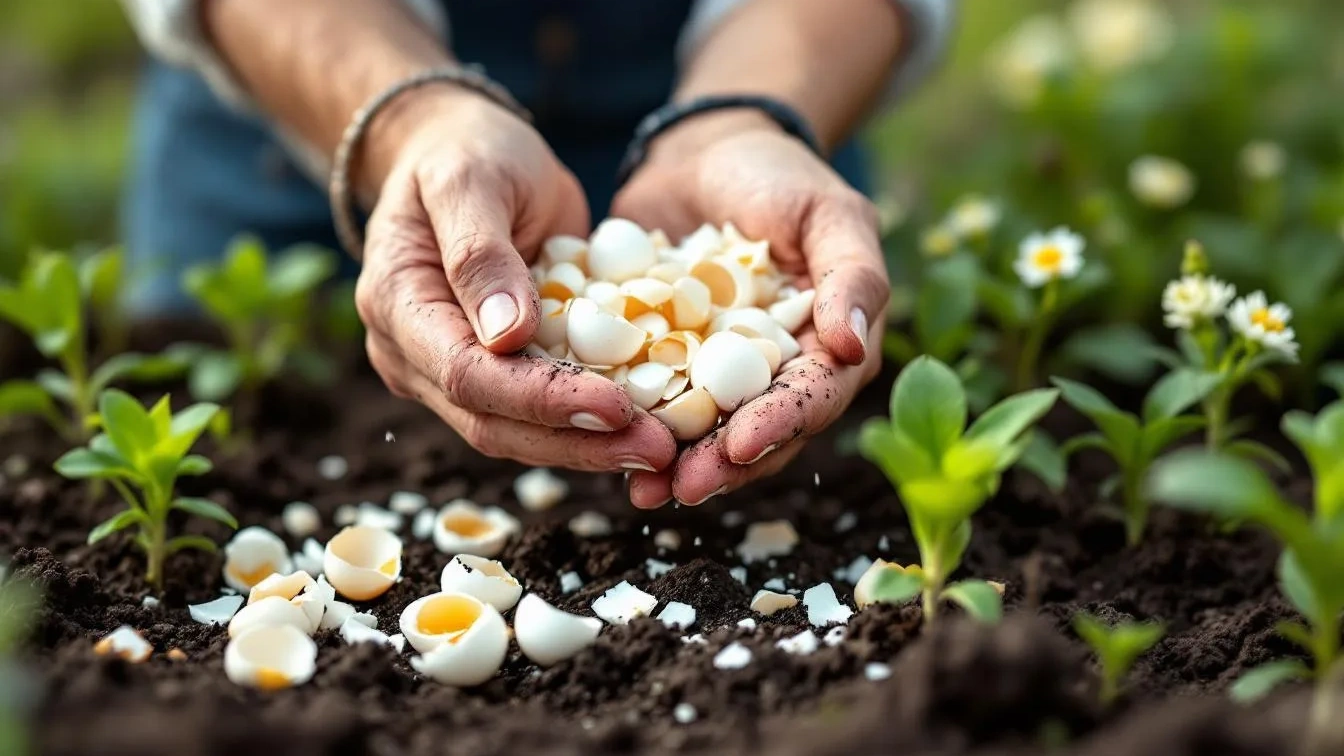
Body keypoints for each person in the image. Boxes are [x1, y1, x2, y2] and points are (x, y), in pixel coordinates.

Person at [118, 0, 955, 508]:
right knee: (247, 406)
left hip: (763, 112)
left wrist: (743, 118)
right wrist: (416, 127)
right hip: (298, 105)